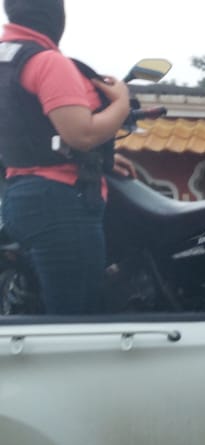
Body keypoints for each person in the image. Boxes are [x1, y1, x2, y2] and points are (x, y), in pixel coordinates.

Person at [0, 0, 134, 314]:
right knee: (76, 318)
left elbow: (25, 132)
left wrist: (100, 161)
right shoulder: (47, 61)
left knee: (51, 309)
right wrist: (122, 104)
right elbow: (82, 134)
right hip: (59, 202)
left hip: (20, 197)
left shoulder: (7, 60)